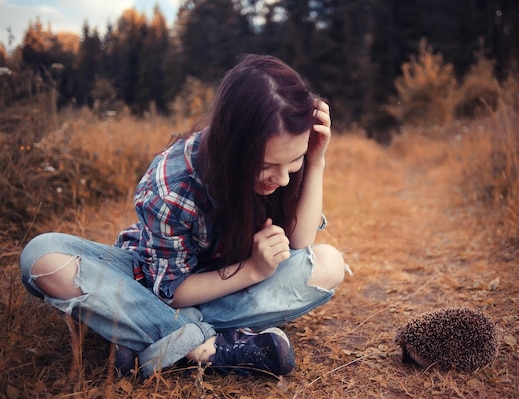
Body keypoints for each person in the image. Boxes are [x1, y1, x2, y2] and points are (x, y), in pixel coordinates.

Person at [20, 54, 347, 378]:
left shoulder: (290, 153)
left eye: (293, 162)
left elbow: (300, 241)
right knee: (42, 257)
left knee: (328, 264)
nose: (283, 179)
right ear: (232, 148)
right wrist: (252, 270)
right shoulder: (171, 184)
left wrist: (315, 160)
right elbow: (171, 292)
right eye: (266, 166)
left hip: (223, 294)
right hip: (152, 287)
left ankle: (145, 335)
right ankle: (211, 349)